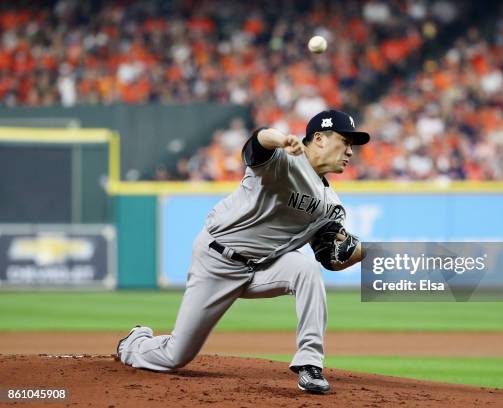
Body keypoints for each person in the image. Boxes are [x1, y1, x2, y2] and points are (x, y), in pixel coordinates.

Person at [116, 109, 370, 394]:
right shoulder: (283, 162)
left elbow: (331, 258)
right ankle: (135, 342)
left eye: (352, 145)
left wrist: (372, 252)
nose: (351, 151)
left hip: (264, 267)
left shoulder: (332, 205)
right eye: (345, 141)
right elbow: (257, 143)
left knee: (307, 269)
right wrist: (282, 140)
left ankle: (310, 365)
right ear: (319, 138)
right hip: (217, 260)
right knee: (177, 355)